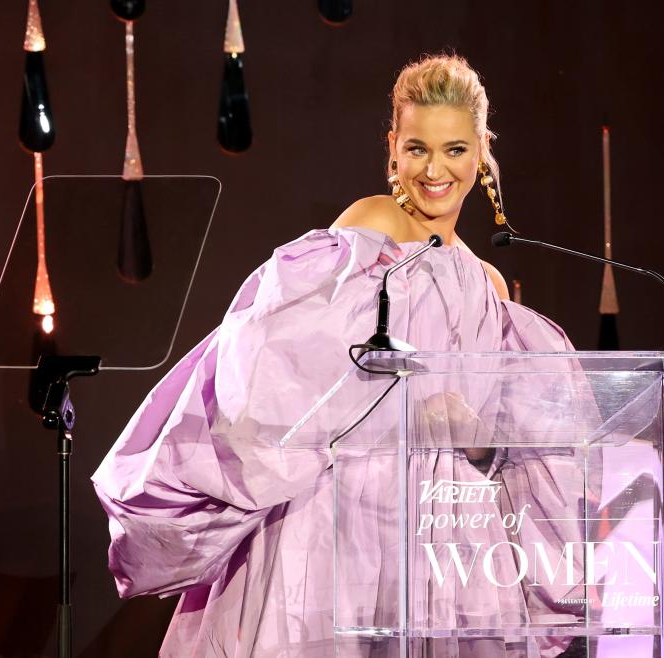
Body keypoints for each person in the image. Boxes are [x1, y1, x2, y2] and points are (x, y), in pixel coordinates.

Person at [93, 54, 583, 657]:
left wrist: (469, 431)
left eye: (455, 149)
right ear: (393, 148)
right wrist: (411, 400)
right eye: (417, 148)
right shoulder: (374, 225)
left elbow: (496, 450)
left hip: (447, 532)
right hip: (348, 515)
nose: (436, 169)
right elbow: (286, 368)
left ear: (482, 149)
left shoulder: (491, 284)